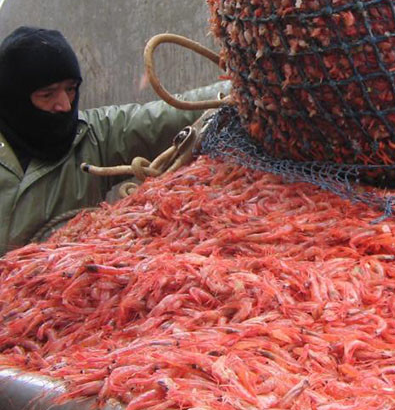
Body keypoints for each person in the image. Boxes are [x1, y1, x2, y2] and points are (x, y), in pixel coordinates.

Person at [0, 26, 228, 254]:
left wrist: (240, 88)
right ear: (14, 96)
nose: (65, 105)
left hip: (72, 279)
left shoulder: (91, 136)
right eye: (47, 95)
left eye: (70, 89)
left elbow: (161, 118)